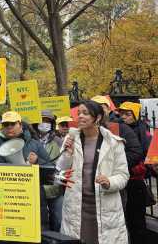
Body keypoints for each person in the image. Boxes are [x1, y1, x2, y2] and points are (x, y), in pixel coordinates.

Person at [0, 111, 50, 243]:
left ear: (20, 124)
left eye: (12, 124)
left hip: (30, 199)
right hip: (6, 201)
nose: (9, 127)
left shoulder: (34, 143)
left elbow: (50, 168)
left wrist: (37, 161)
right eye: (6, 124)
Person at [57, 100, 129, 244]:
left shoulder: (114, 143)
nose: (80, 117)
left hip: (106, 207)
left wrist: (110, 182)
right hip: (76, 206)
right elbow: (60, 171)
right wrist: (67, 154)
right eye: (79, 114)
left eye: (85, 113)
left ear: (97, 118)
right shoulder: (71, 139)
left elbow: (123, 175)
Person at [117, 101, 151, 244]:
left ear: (136, 115)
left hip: (135, 182)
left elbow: (148, 155)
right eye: (122, 114)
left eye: (128, 114)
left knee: (137, 221)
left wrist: (140, 167)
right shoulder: (117, 129)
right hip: (119, 180)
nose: (124, 117)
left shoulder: (144, 133)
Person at [35, 110, 64, 232]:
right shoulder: (30, 141)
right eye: (42, 120)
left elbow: (64, 163)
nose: (44, 123)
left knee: (58, 220)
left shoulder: (59, 141)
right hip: (36, 188)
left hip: (55, 187)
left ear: (52, 124)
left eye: (47, 121)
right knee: (40, 222)